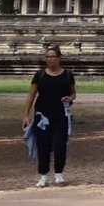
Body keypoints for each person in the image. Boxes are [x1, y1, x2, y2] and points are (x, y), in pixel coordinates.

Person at [23, 45, 76, 188]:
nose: (49, 59)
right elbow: (31, 95)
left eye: (52, 57)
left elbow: (73, 93)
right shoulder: (40, 75)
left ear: (59, 58)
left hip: (61, 114)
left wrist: (69, 98)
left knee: (60, 144)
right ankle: (43, 176)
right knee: (43, 145)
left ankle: (59, 174)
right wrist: (26, 115)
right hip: (43, 115)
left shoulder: (67, 75)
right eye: (47, 57)